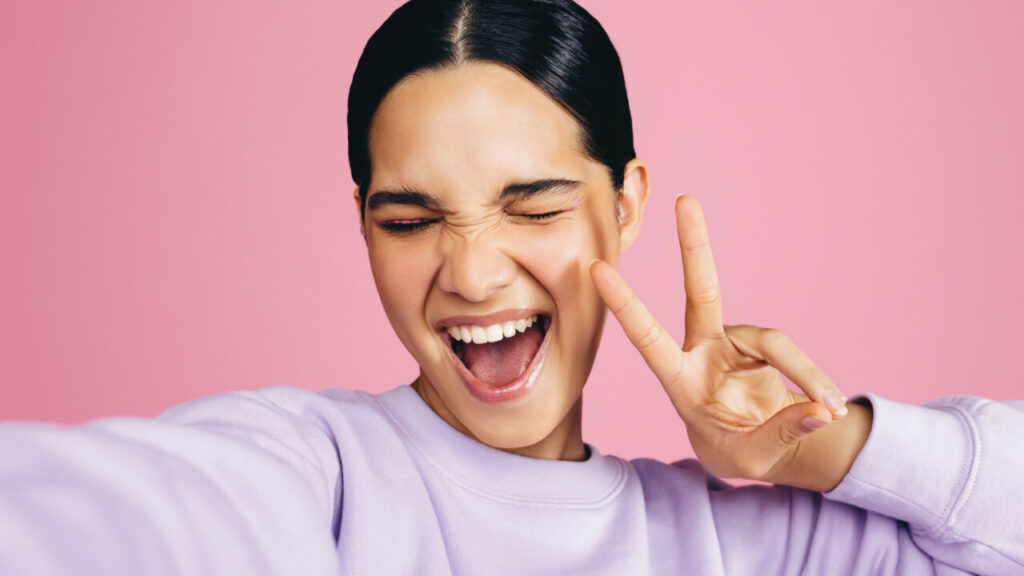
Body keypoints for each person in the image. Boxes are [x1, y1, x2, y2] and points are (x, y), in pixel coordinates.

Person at [2, 0, 1022, 574]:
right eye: (409, 219)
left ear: (625, 205)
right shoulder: (313, 477)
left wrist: (832, 448)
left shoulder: (750, 538)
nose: (473, 271)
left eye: (531, 206)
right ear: (363, 226)